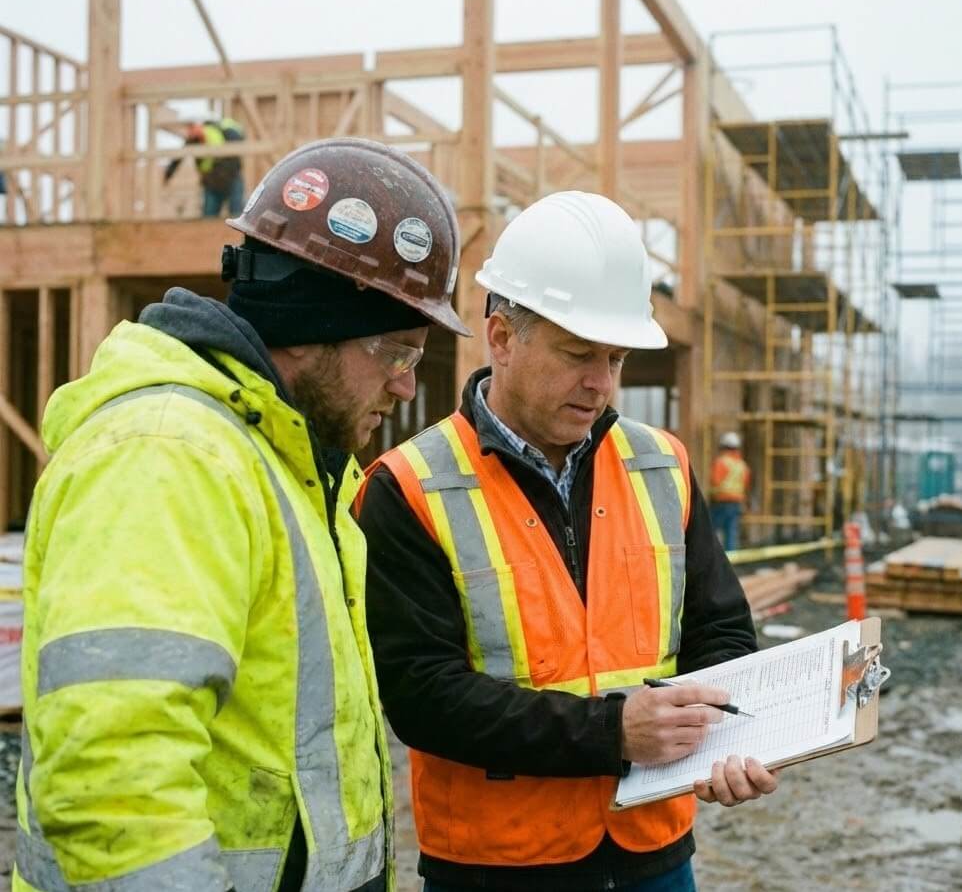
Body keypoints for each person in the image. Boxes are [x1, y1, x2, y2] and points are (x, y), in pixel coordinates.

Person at [14, 138, 470, 892]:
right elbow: (115, 779)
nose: (402, 388)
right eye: (397, 351)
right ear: (314, 323)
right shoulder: (170, 456)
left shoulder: (288, 464)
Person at [358, 191, 778, 892]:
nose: (601, 384)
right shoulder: (409, 487)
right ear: (501, 337)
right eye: (578, 353)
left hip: (656, 853)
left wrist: (727, 736)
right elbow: (423, 696)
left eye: (614, 358)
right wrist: (614, 732)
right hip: (498, 865)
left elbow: (722, 628)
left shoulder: (662, 464)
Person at [164, 116, 246, 217]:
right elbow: (179, 157)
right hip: (211, 183)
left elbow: (235, 156)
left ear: (200, 126)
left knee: (236, 214)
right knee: (209, 217)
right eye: (189, 129)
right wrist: (168, 173)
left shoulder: (219, 132)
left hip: (231, 179)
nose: (190, 132)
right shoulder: (193, 140)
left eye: (192, 127)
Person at [709, 432, 751, 551]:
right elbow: (746, 485)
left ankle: (710, 559)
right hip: (736, 503)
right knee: (731, 533)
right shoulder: (742, 465)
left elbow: (714, 481)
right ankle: (731, 561)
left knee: (710, 532)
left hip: (721, 502)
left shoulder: (721, 462)